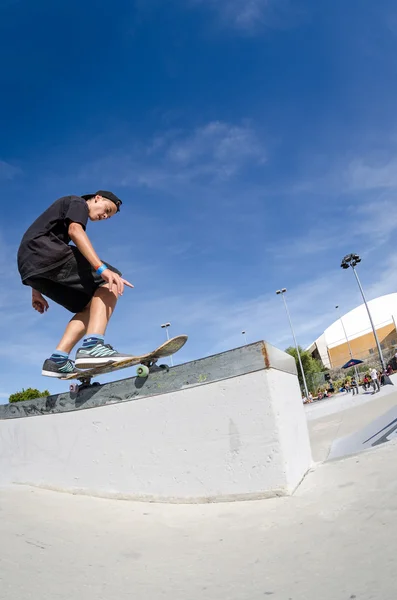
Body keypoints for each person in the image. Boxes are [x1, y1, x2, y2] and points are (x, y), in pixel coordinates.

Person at [17, 191, 134, 378]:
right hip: (46, 254)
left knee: (89, 307)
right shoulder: (77, 202)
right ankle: (93, 346)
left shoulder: (60, 217)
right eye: (107, 210)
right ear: (98, 198)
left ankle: (58, 360)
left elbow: (36, 255)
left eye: (108, 217)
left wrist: (36, 291)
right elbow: (75, 231)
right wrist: (101, 269)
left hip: (32, 269)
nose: (104, 216)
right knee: (112, 280)